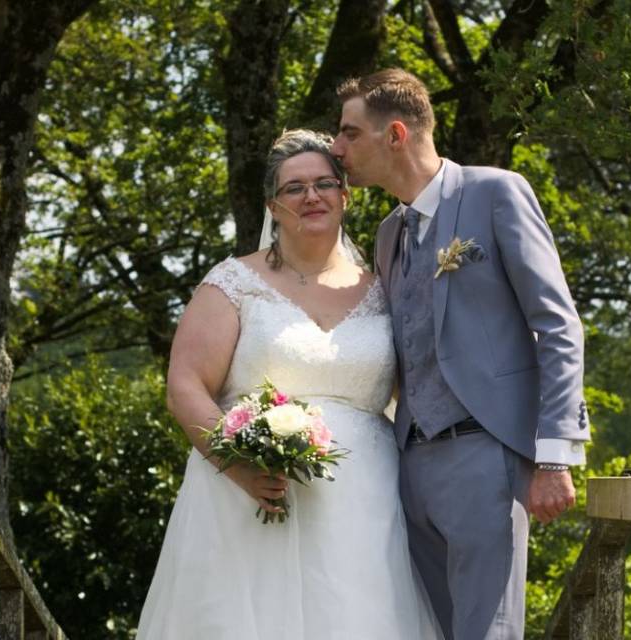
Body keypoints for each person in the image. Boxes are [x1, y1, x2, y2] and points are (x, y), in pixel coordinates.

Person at [136, 129, 443, 639]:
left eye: (325, 183)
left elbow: (414, 385)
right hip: (247, 499)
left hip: (367, 503)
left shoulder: (384, 289)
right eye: (295, 188)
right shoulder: (233, 283)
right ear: (273, 207)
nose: (312, 196)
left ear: (345, 196)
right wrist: (241, 467)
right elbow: (186, 385)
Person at [330, 69, 588, 640]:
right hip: (407, 463)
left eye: (349, 133)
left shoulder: (495, 192)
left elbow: (558, 325)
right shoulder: (388, 233)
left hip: (484, 455)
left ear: (395, 134)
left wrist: (553, 456)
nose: (336, 148)